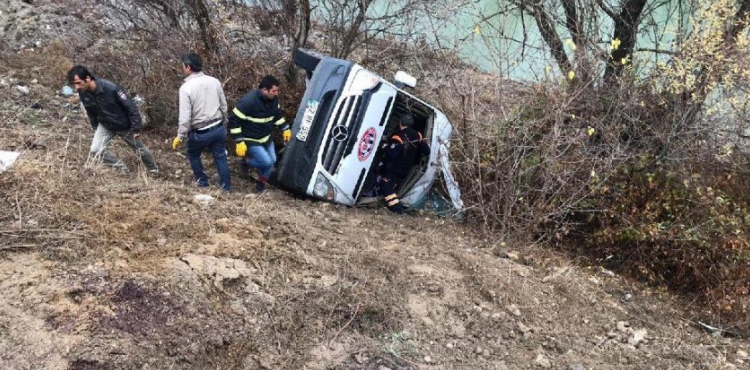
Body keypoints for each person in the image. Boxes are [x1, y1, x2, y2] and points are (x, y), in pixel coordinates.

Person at [67, 65, 158, 174]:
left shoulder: (110, 88)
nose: (77, 87)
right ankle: (123, 170)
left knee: (139, 149)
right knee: (96, 150)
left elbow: (130, 107)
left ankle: (153, 170)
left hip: (124, 125)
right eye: (74, 84)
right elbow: (90, 110)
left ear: (87, 79)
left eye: (78, 83)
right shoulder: (83, 92)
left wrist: (136, 128)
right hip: (105, 124)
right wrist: (95, 126)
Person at [171, 53, 231, 191]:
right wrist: (225, 121)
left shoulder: (186, 88)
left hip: (200, 132)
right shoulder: (214, 81)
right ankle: (226, 188)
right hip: (218, 128)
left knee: (193, 154)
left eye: (183, 66)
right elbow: (224, 105)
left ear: (188, 67)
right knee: (220, 157)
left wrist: (180, 136)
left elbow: (185, 117)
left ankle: (203, 183)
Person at [228, 75, 291, 192]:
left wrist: (285, 128)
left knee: (272, 161)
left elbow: (277, 115)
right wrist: (239, 141)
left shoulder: (274, 100)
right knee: (266, 162)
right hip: (251, 139)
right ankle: (245, 161)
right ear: (264, 90)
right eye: (274, 91)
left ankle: (260, 184)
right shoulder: (248, 101)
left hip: (266, 137)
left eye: (277, 90)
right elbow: (233, 120)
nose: (277, 93)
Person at [376, 113, 430, 214]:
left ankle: (397, 208)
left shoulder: (398, 137)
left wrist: (385, 147)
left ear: (400, 122)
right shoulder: (418, 135)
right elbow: (426, 151)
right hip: (407, 168)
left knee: (386, 186)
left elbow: (392, 154)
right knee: (391, 183)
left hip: (395, 168)